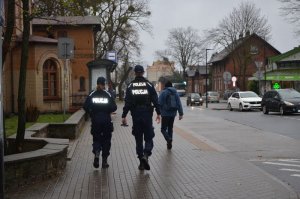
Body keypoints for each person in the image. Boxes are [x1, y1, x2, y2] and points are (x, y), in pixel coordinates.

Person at [121, 65, 161, 171]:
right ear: (143, 73)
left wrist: (124, 115)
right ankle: (146, 155)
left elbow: (128, 102)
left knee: (138, 139)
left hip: (136, 115)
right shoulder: (149, 85)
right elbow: (155, 100)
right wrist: (158, 113)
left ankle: (141, 162)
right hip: (147, 114)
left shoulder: (130, 86)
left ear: (135, 73)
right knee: (149, 136)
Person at [83, 77, 117, 169]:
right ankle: (104, 161)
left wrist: (91, 113)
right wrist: (107, 110)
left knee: (96, 138)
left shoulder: (92, 94)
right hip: (106, 119)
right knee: (106, 140)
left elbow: (85, 106)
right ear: (104, 84)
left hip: (96, 120)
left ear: (97, 83)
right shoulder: (108, 94)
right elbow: (114, 107)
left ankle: (97, 153)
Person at [158, 81, 183, 149]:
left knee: (163, 129)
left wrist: (158, 112)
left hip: (165, 114)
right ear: (171, 86)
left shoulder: (163, 92)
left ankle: (168, 139)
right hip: (173, 114)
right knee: (170, 128)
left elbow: (159, 103)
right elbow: (179, 104)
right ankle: (169, 144)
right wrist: (181, 114)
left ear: (165, 86)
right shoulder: (175, 93)